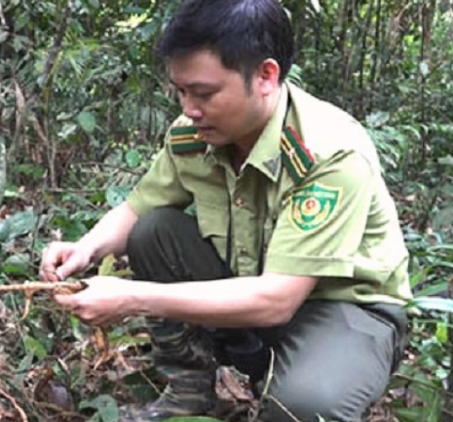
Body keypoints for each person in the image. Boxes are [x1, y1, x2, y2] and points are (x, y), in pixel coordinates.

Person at [40, 0, 412, 421]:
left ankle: (305, 375)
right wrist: (84, 249)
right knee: (154, 230)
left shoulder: (329, 153)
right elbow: (137, 208)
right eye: (181, 92)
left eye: (204, 93)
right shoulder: (194, 135)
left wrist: (131, 298)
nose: (189, 109)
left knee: (306, 405)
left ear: (266, 76)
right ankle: (189, 391)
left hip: (343, 307)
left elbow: (277, 300)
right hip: (250, 289)